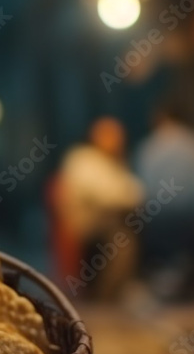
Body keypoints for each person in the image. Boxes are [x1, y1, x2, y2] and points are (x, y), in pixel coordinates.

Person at [48, 117, 144, 300]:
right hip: (84, 226)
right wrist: (127, 196)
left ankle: (117, 292)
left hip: (103, 223)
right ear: (96, 136)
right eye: (111, 136)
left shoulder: (111, 161)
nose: (116, 141)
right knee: (124, 241)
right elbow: (109, 196)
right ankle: (107, 297)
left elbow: (134, 193)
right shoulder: (84, 159)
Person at [133, 104, 194, 298]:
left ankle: (167, 290)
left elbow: (140, 190)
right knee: (187, 260)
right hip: (191, 218)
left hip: (158, 218)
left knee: (164, 263)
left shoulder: (149, 147)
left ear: (161, 119)